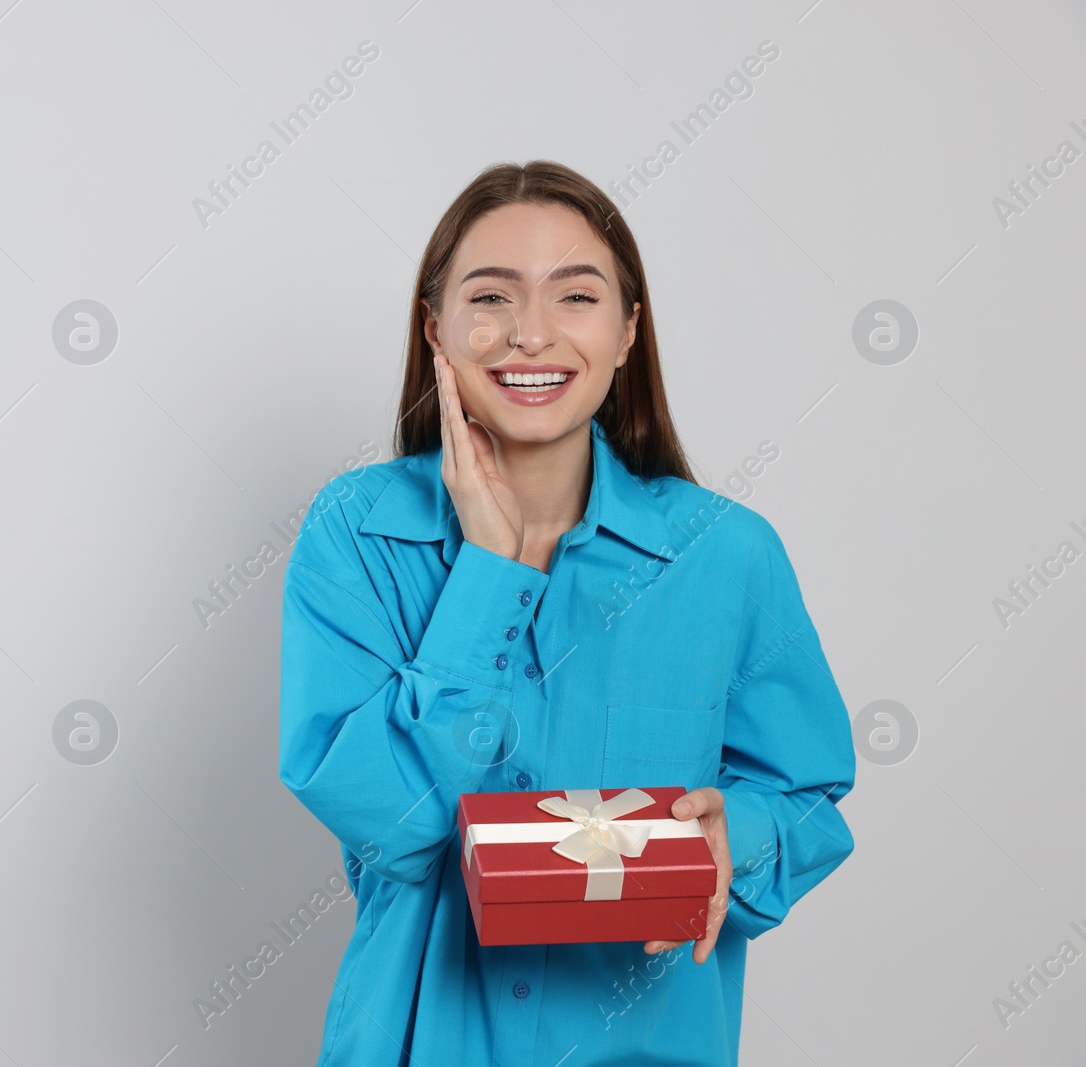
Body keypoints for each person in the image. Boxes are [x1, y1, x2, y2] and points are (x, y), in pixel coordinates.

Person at [277, 160, 855, 1066]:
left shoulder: (725, 555)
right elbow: (390, 820)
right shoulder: (358, 535)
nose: (531, 335)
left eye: (575, 297)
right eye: (492, 298)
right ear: (437, 329)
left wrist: (731, 840)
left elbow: (807, 796)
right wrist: (487, 576)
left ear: (628, 331)